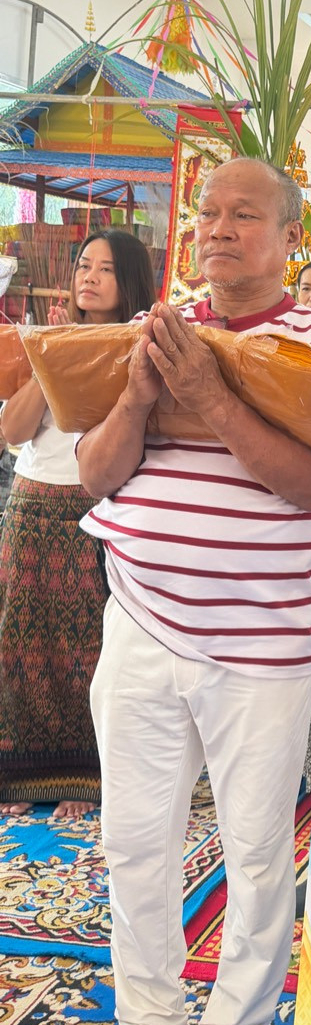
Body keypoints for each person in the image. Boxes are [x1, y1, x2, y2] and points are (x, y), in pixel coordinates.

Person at [76, 159, 311, 1025]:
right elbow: (94, 473)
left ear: (291, 238)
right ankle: (145, 1021)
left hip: (262, 640)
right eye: (208, 212)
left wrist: (208, 398)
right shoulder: (147, 332)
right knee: (133, 837)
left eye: (246, 214)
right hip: (139, 620)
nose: (218, 227)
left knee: (254, 847)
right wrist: (139, 393)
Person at [0, 230, 156, 819]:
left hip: (98, 508)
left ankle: (87, 775)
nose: (89, 276)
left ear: (131, 280)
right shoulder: (42, 340)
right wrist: (51, 358)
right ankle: (23, 778)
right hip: (33, 504)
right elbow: (13, 433)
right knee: (22, 642)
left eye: (106, 269)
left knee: (92, 646)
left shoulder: (136, 347)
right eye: (84, 265)